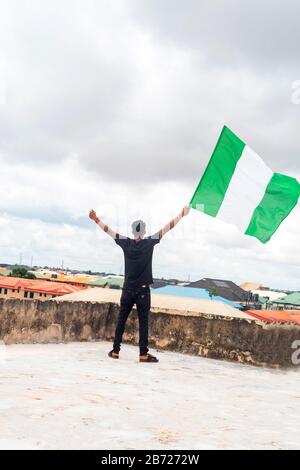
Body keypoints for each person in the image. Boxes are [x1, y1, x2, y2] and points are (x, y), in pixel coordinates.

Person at [89, 206, 190, 363]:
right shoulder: (149, 243)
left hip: (127, 289)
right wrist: (181, 215)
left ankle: (115, 351)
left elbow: (109, 231)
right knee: (143, 323)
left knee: (121, 319)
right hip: (143, 291)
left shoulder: (126, 243)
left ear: (132, 231)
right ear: (143, 232)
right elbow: (167, 228)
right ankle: (143, 354)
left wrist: (96, 219)